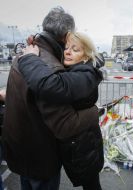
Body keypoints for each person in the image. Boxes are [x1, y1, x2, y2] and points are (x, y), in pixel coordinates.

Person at [2, 7, 101, 190]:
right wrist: (95, 112)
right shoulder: (50, 68)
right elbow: (65, 126)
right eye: (68, 45)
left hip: (21, 150)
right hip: (40, 156)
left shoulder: (25, 54)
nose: (68, 51)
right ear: (65, 36)